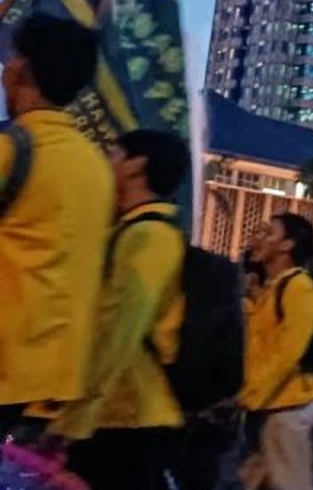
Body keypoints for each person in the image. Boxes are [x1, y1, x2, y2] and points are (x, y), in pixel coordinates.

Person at [51, 130, 189, 490]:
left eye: (114, 153)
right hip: (119, 412)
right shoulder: (131, 232)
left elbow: (118, 330)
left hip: (128, 414)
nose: (105, 161)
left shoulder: (150, 237)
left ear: (136, 166)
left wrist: (75, 417)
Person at [0, 15, 114, 434]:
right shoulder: (96, 166)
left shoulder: (12, 149)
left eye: (10, 58)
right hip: (52, 383)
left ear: (22, 70)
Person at [241, 213, 313, 490]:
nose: (258, 238)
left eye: (269, 233)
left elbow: (290, 352)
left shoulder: (299, 286)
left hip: (288, 408)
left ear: (287, 245)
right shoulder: (273, 288)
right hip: (270, 406)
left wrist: (250, 395)